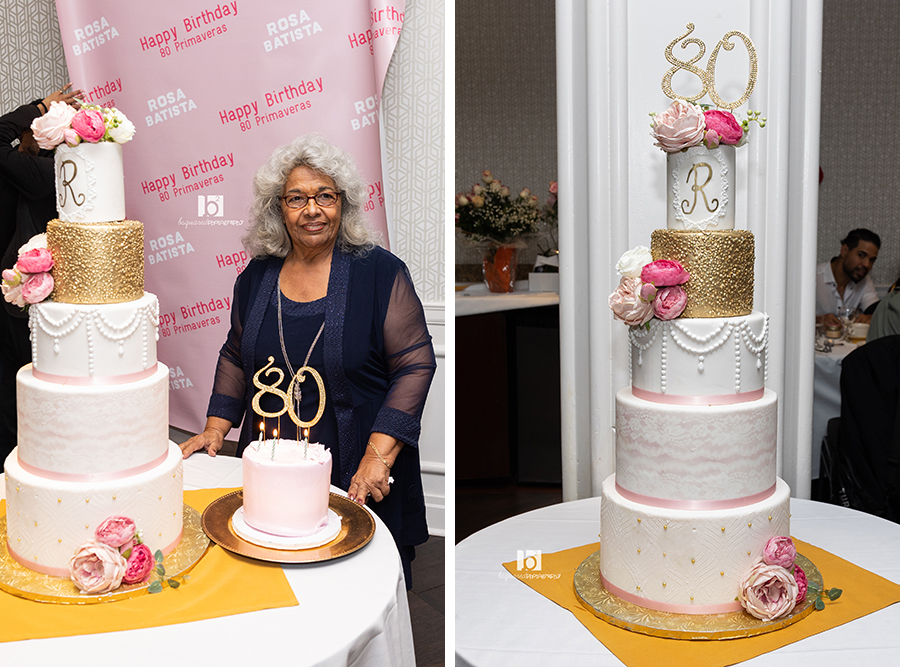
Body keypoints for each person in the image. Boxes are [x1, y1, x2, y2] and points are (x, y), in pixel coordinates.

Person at [179, 134, 436, 585]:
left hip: (359, 457)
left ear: (343, 204)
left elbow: (415, 364)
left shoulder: (380, 271)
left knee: (356, 583)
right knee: (271, 576)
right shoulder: (257, 274)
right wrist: (216, 429)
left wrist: (378, 456)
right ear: (278, 209)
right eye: (296, 198)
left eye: (325, 197)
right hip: (274, 464)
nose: (312, 210)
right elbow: (236, 354)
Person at [0, 84, 82, 469]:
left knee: (17, 388)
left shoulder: (40, 170)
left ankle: (18, 463)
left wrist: (38, 107)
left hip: (25, 299)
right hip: (47, 296)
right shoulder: (66, 173)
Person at [815, 228, 880, 328]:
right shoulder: (814, 277)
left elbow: (876, 311)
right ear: (844, 251)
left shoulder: (864, 280)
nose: (867, 265)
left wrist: (870, 318)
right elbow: (791, 315)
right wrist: (819, 320)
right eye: (861, 255)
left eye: (872, 260)